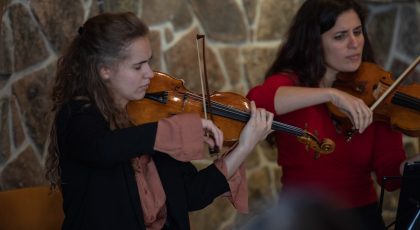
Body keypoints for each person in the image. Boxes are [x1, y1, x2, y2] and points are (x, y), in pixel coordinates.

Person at [45, 12, 273, 230]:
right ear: (104, 70)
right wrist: (175, 130)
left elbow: (192, 194)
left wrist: (244, 146)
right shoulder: (77, 116)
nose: (150, 74)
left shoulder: (147, 117)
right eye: (138, 66)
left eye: (148, 62)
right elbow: (104, 148)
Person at [246, 0, 420, 229]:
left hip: (360, 219)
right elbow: (256, 101)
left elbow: (390, 171)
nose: (354, 43)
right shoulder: (291, 85)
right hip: (304, 218)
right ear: (315, 43)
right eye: (340, 36)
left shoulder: (375, 93)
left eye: (357, 32)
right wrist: (330, 94)